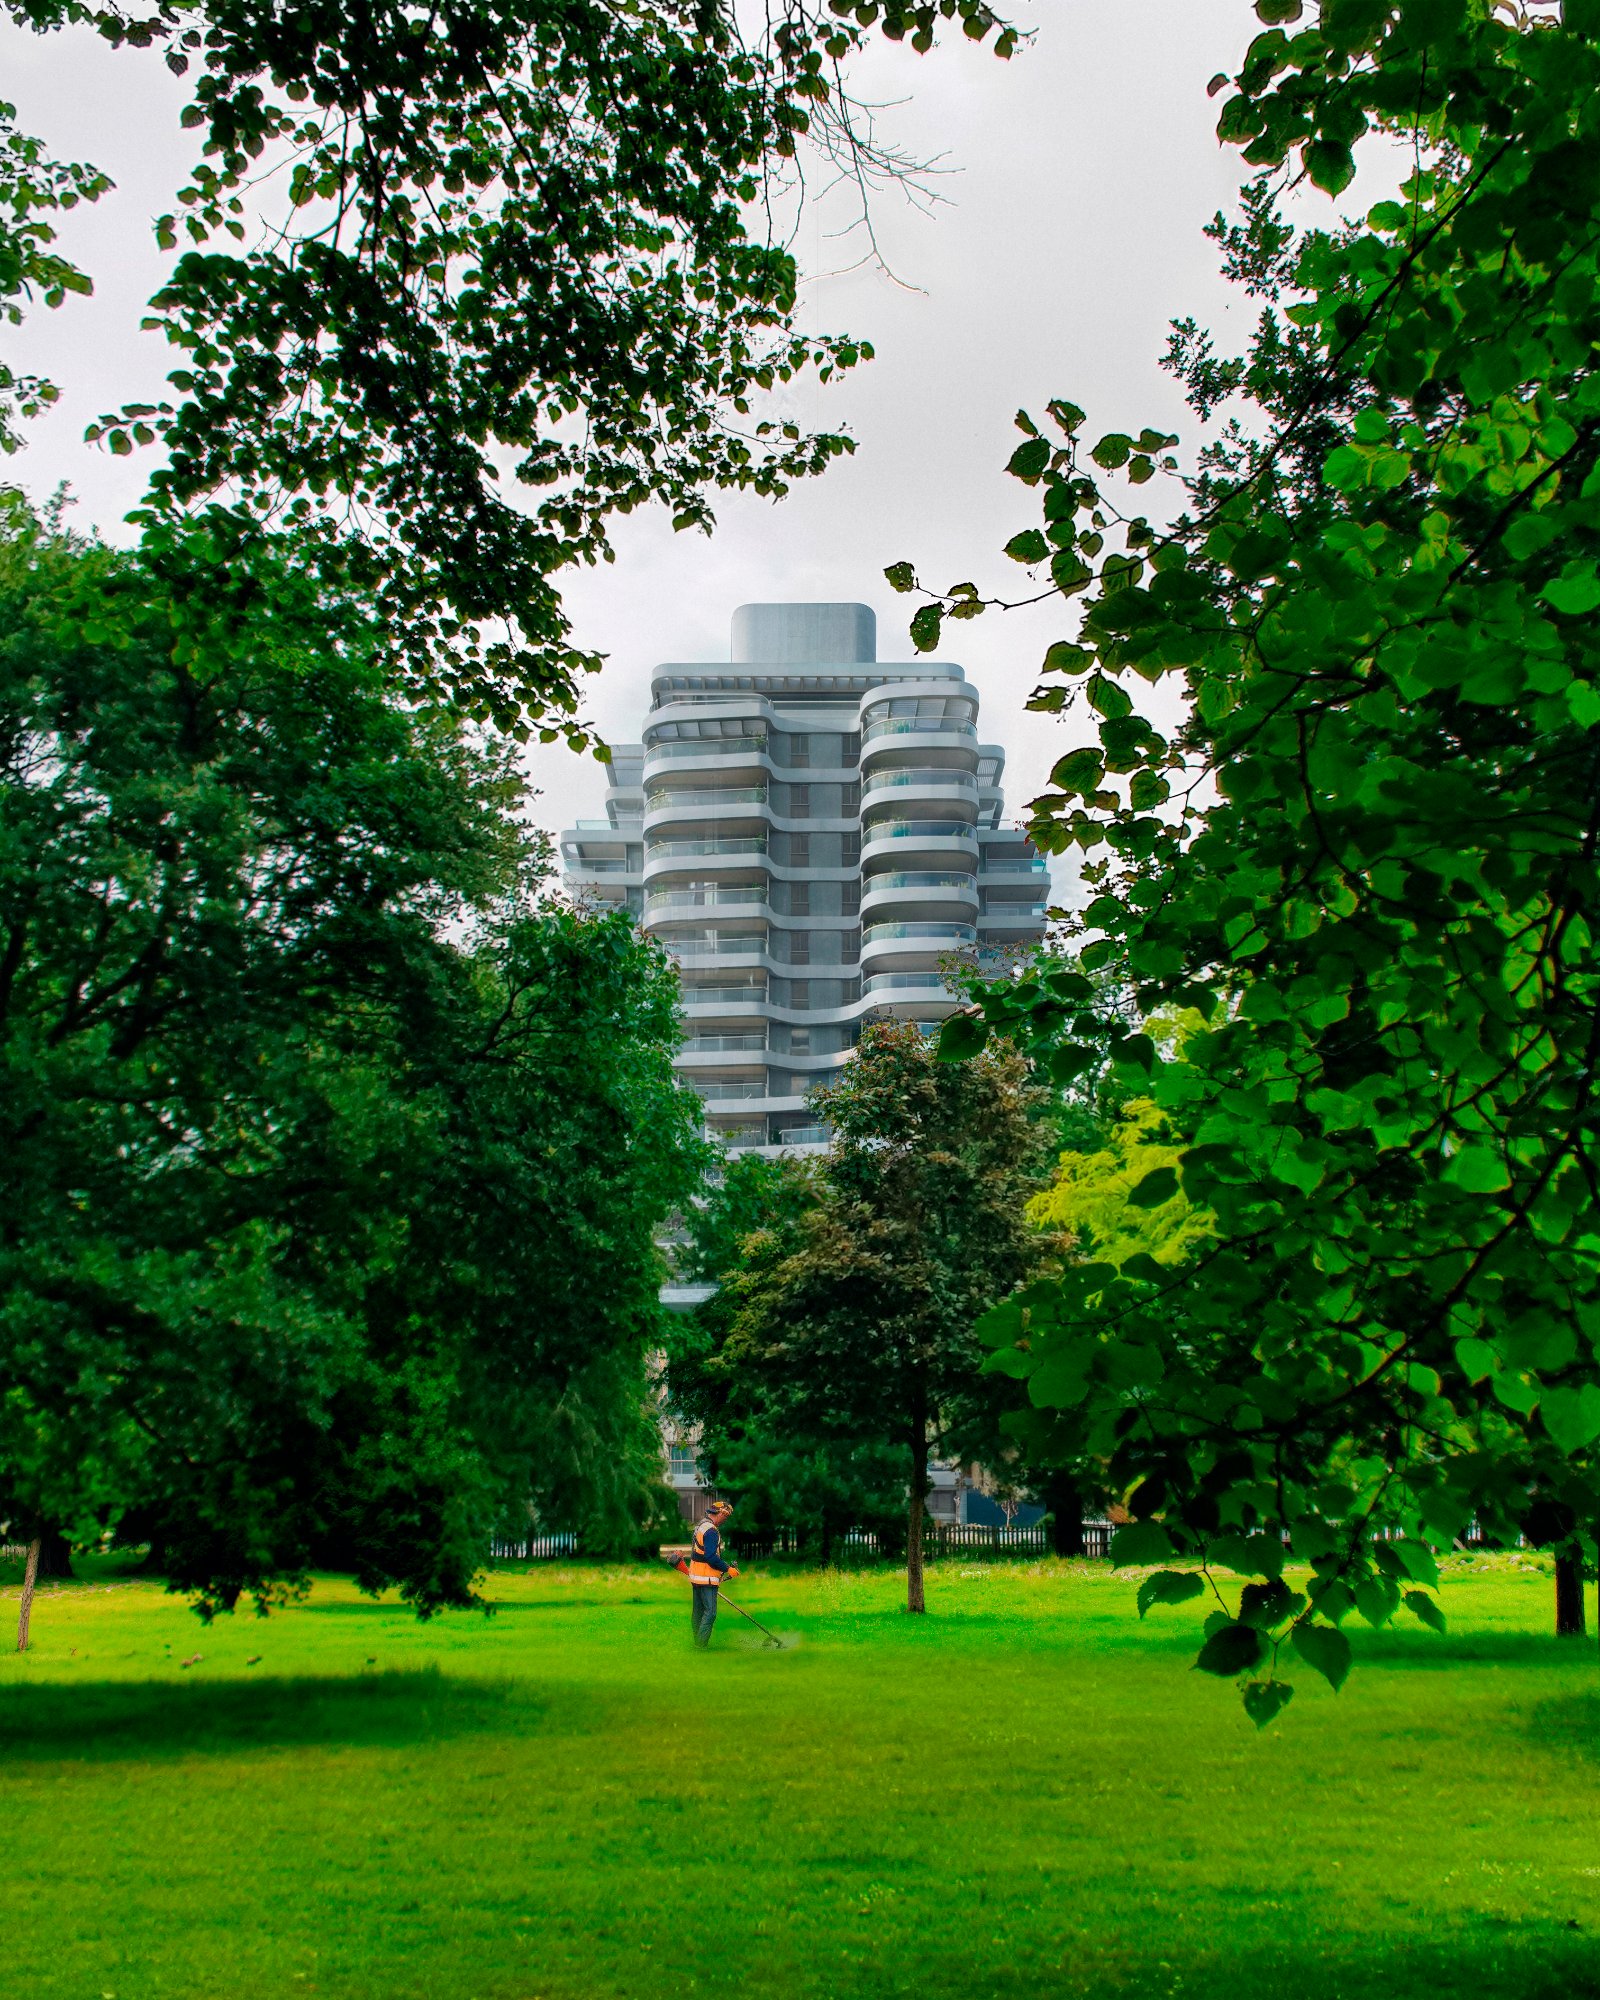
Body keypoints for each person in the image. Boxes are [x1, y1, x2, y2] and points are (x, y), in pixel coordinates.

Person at [687, 1499, 738, 1648]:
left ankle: (697, 1643)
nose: (725, 1520)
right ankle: (701, 1645)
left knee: (698, 1611)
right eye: (725, 1516)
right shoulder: (711, 1531)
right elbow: (710, 1557)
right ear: (720, 1513)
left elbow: (701, 1553)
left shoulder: (701, 1526)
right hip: (706, 1578)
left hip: (696, 1576)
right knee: (710, 1613)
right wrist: (728, 1568)